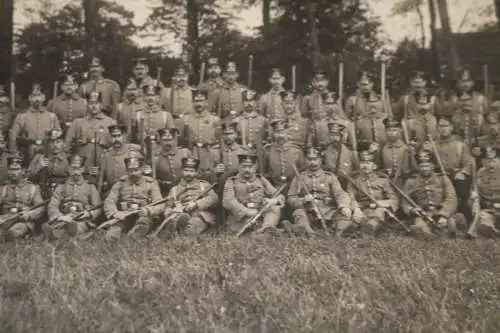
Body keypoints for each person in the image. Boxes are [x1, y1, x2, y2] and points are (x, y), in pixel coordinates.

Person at [287, 147, 353, 237]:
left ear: (321, 160)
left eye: (315, 159)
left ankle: (338, 232)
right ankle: (309, 233)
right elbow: (291, 198)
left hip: (328, 211)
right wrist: (303, 200)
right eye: (309, 159)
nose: (313, 162)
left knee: (344, 216)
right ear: (305, 161)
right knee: (299, 213)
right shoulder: (299, 177)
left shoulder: (329, 176)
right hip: (308, 211)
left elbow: (340, 193)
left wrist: (344, 206)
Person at [401, 150, 464, 237]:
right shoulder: (411, 181)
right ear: (418, 167)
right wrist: (412, 210)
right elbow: (405, 201)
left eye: (427, 166)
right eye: (422, 166)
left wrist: (444, 214)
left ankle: (448, 223)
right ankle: (425, 228)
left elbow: (451, 198)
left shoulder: (443, 178)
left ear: (433, 166)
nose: (424, 168)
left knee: (448, 223)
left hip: (440, 211)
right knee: (420, 227)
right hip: (423, 213)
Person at [222, 151, 285, 235]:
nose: (247, 169)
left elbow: (279, 195)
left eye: (250, 167)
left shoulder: (261, 179)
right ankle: (265, 231)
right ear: (239, 167)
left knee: (275, 208)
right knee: (249, 224)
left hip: (260, 214)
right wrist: (247, 211)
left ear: (255, 168)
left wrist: (274, 201)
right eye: (244, 166)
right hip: (242, 217)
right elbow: (228, 201)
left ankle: (266, 229)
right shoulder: (231, 181)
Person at [103, 155, 163, 239]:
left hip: (143, 216)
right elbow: (109, 201)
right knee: (111, 235)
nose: (133, 173)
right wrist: (115, 213)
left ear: (142, 169)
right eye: (130, 170)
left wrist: (148, 211)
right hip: (125, 215)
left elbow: (160, 203)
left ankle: (132, 237)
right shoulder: (120, 183)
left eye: (136, 170)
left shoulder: (150, 183)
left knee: (143, 224)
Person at [44, 155, 102, 239]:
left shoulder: (90, 187)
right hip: (66, 217)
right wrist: (60, 216)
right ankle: (58, 232)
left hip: (83, 219)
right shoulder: (61, 187)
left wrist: (89, 214)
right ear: (68, 169)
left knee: (77, 227)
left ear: (83, 169)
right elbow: (53, 205)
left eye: (78, 169)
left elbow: (98, 206)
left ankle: (61, 234)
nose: (76, 172)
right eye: (73, 169)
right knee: (63, 226)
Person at [160, 157, 219, 237]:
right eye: (186, 170)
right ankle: (177, 227)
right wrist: (172, 210)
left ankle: (177, 232)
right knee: (178, 221)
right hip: (180, 214)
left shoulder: (204, 185)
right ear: (182, 171)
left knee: (192, 228)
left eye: (192, 171)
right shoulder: (175, 189)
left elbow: (214, 198)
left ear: (197, 173)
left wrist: (197, 204)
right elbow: (167, 207)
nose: (188, 173)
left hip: (200, 215)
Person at [349, 149, 399, 235]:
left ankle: (368, 228)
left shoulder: (382, 180)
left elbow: (393, 199)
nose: (365, 166)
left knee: (378, 213)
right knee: (360, 217)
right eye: (362, 163)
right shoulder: (354, 181)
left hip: (380, 209)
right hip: (364, 208)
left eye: (368, 163)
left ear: (374, 166)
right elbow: (351, 197)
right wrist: (356, 208)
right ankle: (364, 227)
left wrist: (380, 203)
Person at [10, 84, 61, 162]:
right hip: (28, 152)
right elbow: (13, 136)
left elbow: (59, 133)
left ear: (44, 97)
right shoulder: (21, 117)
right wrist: (14, 152)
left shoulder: (52, 116)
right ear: (29, 98)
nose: (37, 99)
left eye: (39, 96)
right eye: (34, 96)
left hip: (47, 152)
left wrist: (55, 133)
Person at [65, 90, 116, 169]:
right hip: (83, 163)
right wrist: (71, 161)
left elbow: (116, 144)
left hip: (103, 162)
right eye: (91, 103)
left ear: (101, 105)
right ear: (87, 105)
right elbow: (67, 145)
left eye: (96, 103)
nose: (94, 106)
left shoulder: (110, 122)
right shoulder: (78, 122)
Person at [0, 155, 45, 241]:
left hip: (24, 221)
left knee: (15, 232)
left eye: (16, 169)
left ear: (23, 171)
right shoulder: (3, 189)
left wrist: (29, 215)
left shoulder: (32, 188)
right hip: (5, 220)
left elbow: (40, 208)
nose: (13, 173)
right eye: (11, 169)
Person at [183, 89, 221, 182]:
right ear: (193, 103)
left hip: (209, 153)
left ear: (206, 102)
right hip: (193, 152)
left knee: (209, 177)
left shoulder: (214, 119)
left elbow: (218, 139)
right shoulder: (186, 119)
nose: (199, 104)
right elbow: (184, 138)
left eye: (201, 101)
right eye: (196, 101)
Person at [97, 124, 143, 194]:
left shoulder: (133, 153)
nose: (116, 139)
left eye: (119, 136)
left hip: (130, 192)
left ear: (124, 136)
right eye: (113, 136)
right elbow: (101, 179)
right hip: (111, 192)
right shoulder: (106, 155)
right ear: (110, 138)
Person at [28, 129, 70, 199]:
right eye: (52, 142)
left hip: (63, 193)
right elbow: (29, 177)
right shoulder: (39, 157)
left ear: (64, 144)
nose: (55, 145)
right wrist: (39, 167)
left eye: (58, 142)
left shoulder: (69, 159)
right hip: (43, 192)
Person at [469, 146, 500, 237]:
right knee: (484, 220)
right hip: (487, 207)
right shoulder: (480, 173)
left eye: (494, 160)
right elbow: (475, 189)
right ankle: (490, 227)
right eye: (487, 160)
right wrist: (475, 199)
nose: (491, 164)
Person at [263, 118, 304, 186]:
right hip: (274, 185)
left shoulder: (297, 151)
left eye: (282, 132)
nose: (280, 136)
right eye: (277, 133)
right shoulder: (268, 150)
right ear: (273, 134)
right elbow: (264, 172)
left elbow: (302, 172)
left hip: (293, 186)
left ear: (288, 134)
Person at [154, 128, 192, 195]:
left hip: (184, 191)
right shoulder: (155, 156)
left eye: (170, 140)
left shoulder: (185, 153)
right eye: (165, 140)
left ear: (174, 140)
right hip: (164, 192)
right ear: (160, 140)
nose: (168, 143)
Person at [379, 117, 414, 186]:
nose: (391, 133)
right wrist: (385, 171)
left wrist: (407, 172)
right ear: (385, 131)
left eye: (394, 130)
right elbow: (378, 169)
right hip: (387, 183)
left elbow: (414, 169)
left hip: (405, 183)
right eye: (389, 130)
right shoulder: (381, 149)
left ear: (400, 131)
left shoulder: (407, 149)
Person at [323, 121, 359, 188]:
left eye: (336, 135)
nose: (334, 138)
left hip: (349, 182)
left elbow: (358, 170)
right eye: (332, 135)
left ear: (341, 137)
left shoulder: (350, 151)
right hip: (333, 184)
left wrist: (348, 175)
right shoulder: (325, 152)